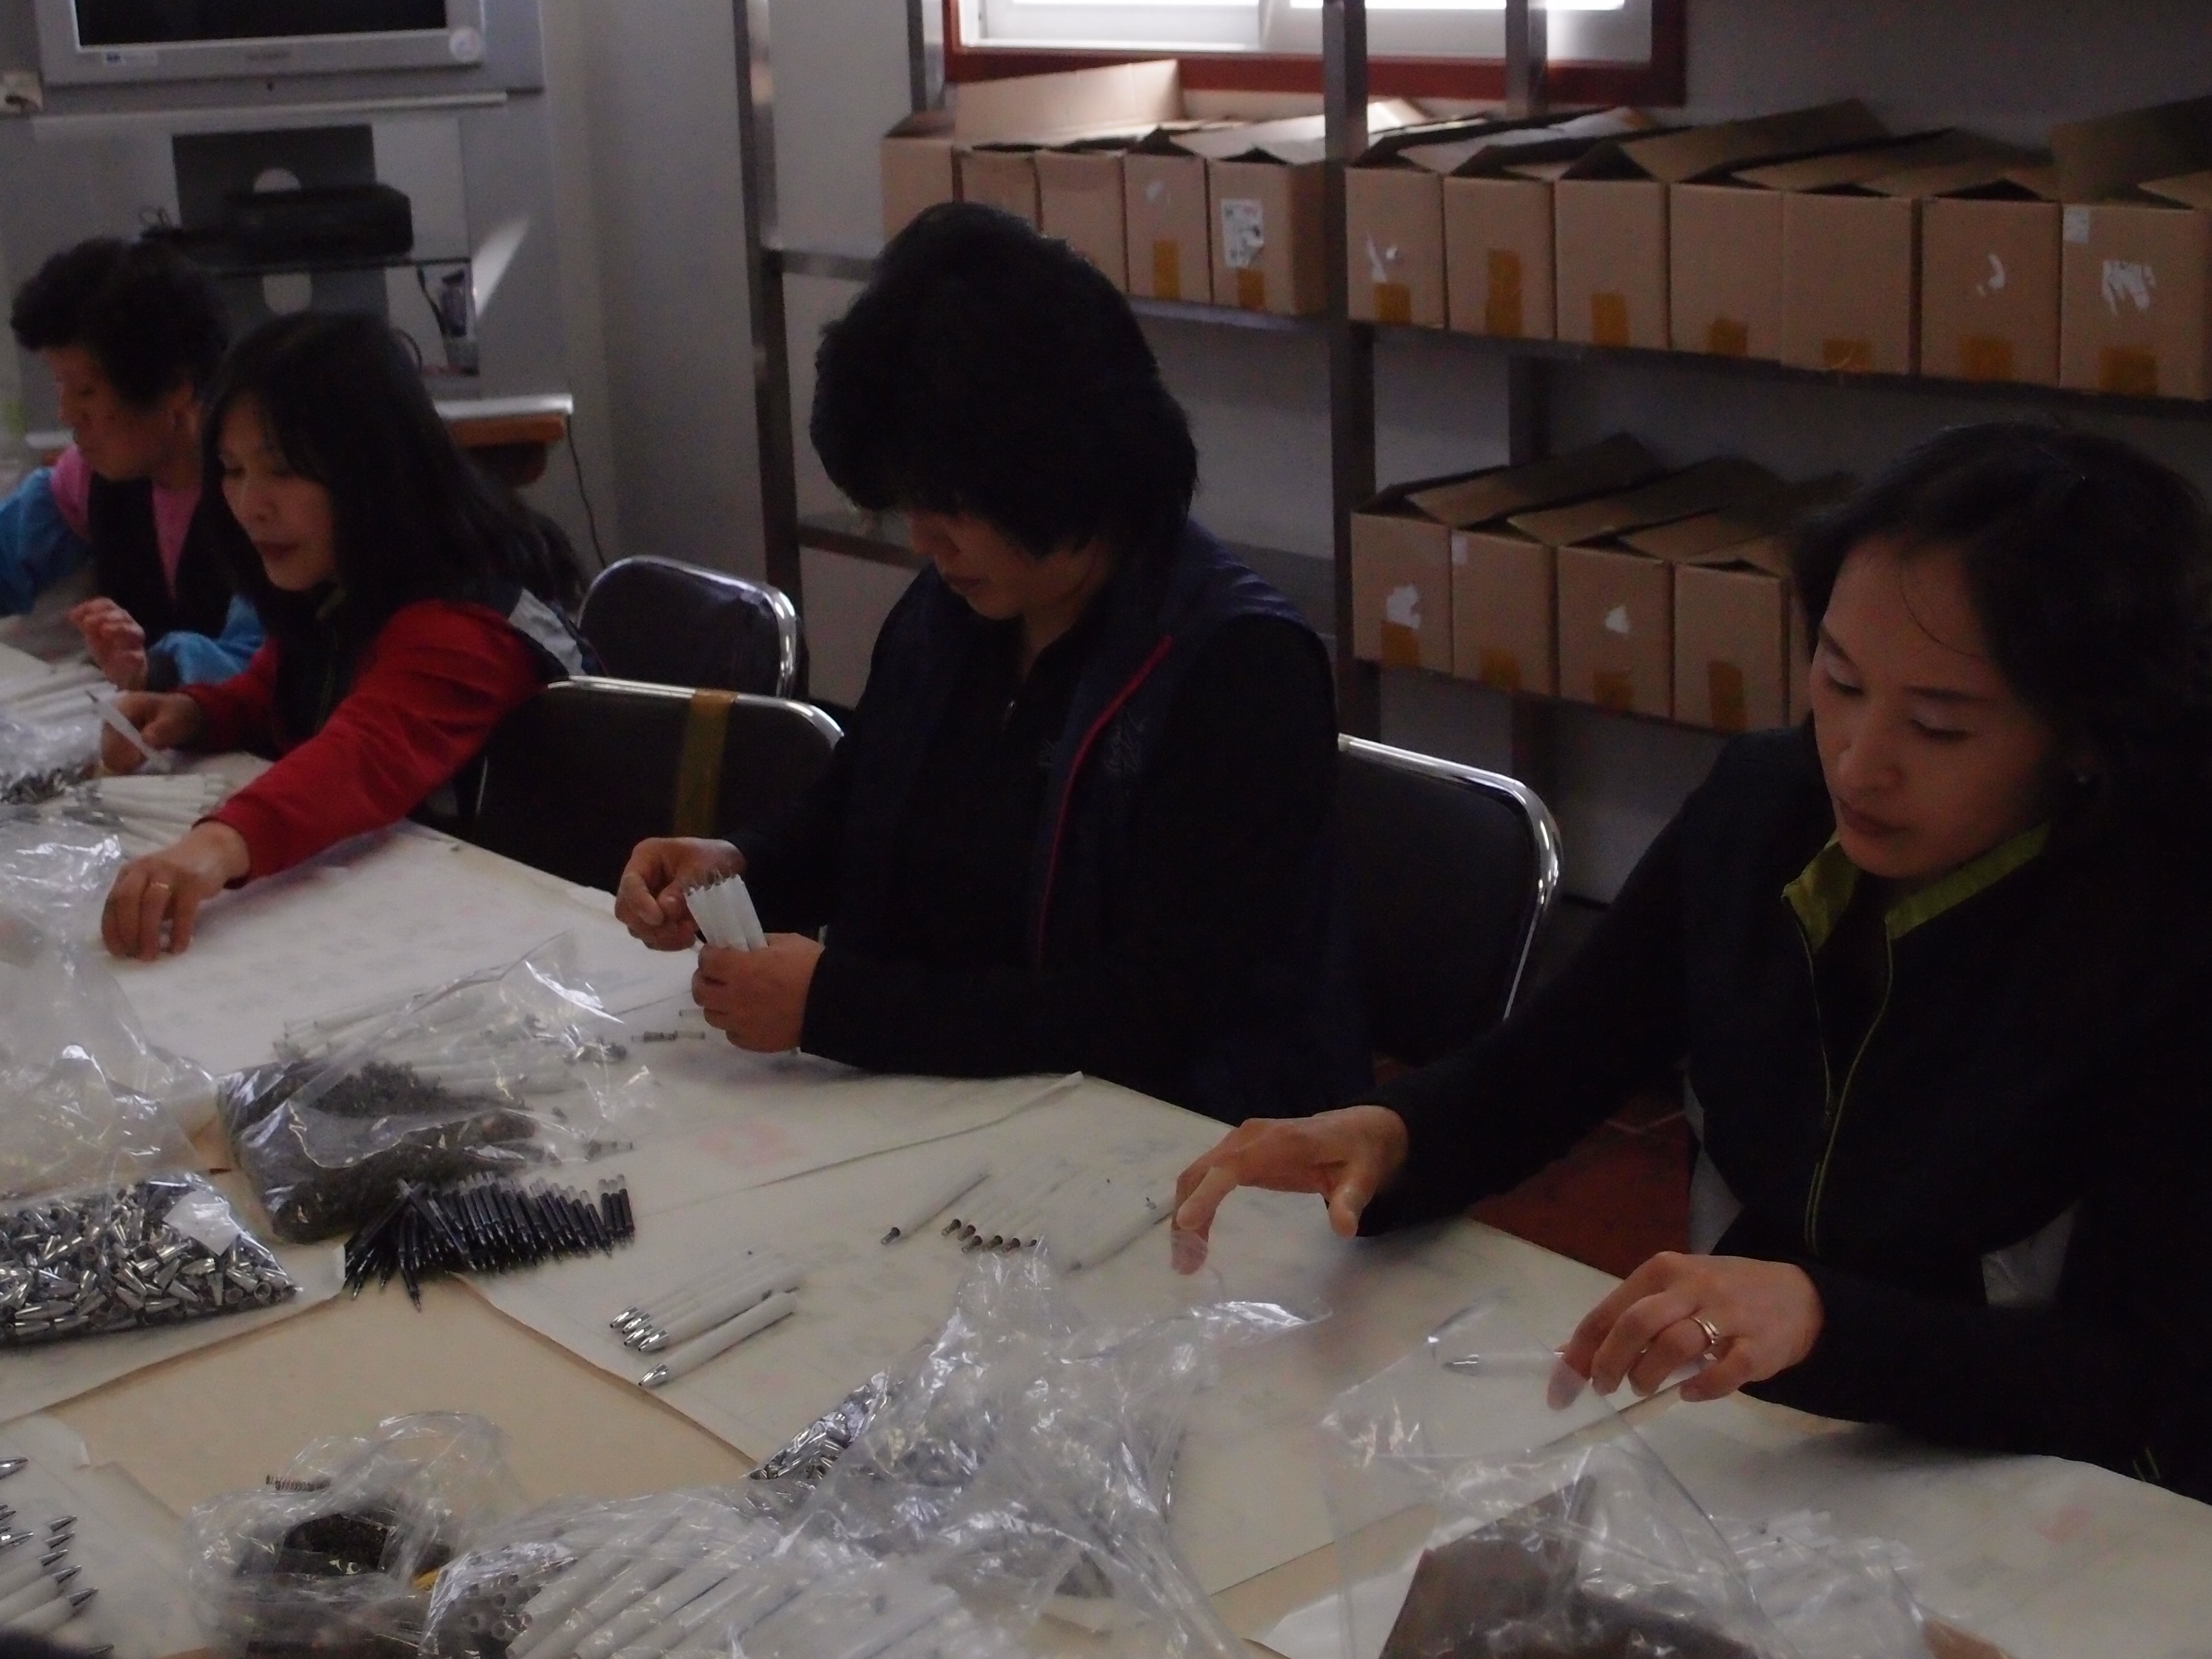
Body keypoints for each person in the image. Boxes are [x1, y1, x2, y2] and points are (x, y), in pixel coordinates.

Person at [1172, 424, 2212, 1499]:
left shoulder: (2166, 937)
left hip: (2064, 1501)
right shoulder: (1763, 815)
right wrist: (1394, 1134)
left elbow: (2136, 1374)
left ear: (2084, 738)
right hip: (1776, 1443)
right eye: (1839, 680)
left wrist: (1822, 1321)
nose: (1858, 761)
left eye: (1940, 728)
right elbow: (1552, 1064)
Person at [615, 203, 1366, 1124]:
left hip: (1175, 1142)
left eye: (951, 506)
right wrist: (734, 873)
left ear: (1059, 467)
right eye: (909, 505)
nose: (925, 541)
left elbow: (1152, 1011)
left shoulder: (1238, 669)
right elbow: (856, 819)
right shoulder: (954, 613)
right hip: (952, 1110)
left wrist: (842, 1007)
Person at [98, 310, 588, 960]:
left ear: (374, 467)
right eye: (232, 469)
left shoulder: (465, 622)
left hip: (552, 942)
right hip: (437, 908)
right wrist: (196, 713)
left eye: (281, 469)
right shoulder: (347, 580)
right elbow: (284, 685)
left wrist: (215, 846)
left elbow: (361, 756)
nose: (250, 505)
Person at [2, 236, 262, 687]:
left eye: (86, 392)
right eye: (61, 386)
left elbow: (263, 661)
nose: (66, 414)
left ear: (176, 388)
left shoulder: (262, 492)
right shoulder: (90, 477)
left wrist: (157, 667)